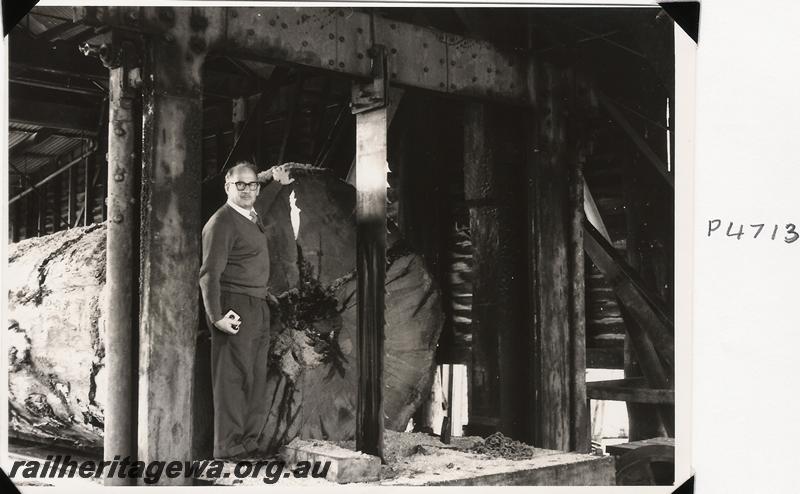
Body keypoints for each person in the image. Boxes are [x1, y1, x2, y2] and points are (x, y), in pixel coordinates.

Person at [198, 160, 291, 459]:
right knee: (232, 378)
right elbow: (209, 273)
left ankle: (248, 443)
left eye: (253, 184)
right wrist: (216, 316)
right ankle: (228, 446)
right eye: (241, 185)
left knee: (255, 376)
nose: (248, 190)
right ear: (228, 187)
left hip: (258, 304)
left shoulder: (251, 216)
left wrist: (276, 183)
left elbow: (258, 204)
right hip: (234, 304)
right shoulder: (221, 222)